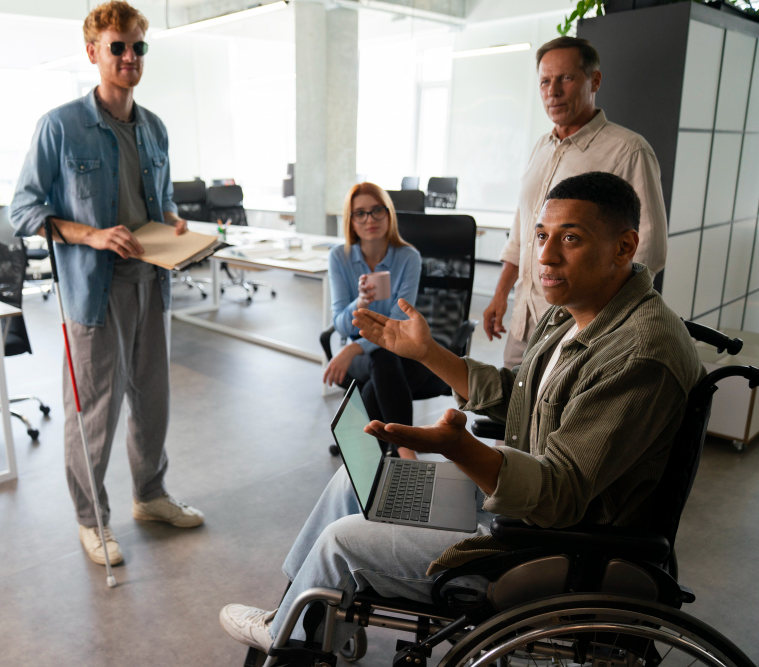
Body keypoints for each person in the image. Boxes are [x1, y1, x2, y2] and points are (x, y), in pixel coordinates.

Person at [219, 172, 702, 653]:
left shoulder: (639, 355)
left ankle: (292, 641)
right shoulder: (579, 312)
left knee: (343, 539)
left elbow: (559, 496)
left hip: (553, 543)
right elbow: (524, 395)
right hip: (520, 505)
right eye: (541, 236)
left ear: (624, 248)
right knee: (357, 483)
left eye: (570, 239)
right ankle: (292, 615)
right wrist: (428, 353)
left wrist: (463, 448)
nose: (547, 256)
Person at [10, 0, 203, 568]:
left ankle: (150, 495)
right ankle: (91, 520)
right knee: (94, 411)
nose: (128, 56)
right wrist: (89, 235)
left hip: (152, 284)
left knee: (153, 403)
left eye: (137, 46)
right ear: (93, 52)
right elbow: (22, 210)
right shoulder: (60, 126)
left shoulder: (155, 128)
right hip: (94, 294)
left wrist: (173, 223)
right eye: (116, 46)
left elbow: (159, 202)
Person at [484, 36, 667, 369]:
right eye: (544, 81)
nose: (552, 91)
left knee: (559, 419)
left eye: (565, 78)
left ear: (594, 80)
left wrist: (596, 322)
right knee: (510, 413)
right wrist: (501, 295)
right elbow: (522, 232)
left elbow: (649, 251)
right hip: (525, 319)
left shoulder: (627, 150)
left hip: (577, 327)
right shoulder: (541, 146)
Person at [325, 183, 438, 460]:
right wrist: (361, 302)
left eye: (377, 211)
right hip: (371, 358)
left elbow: (400, 319)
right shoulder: (340, 256)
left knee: (380, 379)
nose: (370, 220)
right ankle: (405, 451)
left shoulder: (408, 257)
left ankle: (371, 451)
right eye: (359, 213)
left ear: (389, 214)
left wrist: (354, 347)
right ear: (350, 221)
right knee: (383, 361)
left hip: (404, 351)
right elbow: (341, 324)